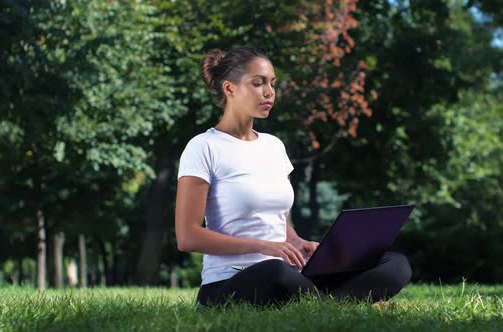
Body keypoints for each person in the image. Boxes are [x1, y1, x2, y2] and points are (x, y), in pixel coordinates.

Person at [175, 46, 412, 307]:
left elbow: (279, 222)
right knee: (276, 273)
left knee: (395, 264)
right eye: (258, 83)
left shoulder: (274, 146)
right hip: (232, 281)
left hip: (291, 275)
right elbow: (188, 236)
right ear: (229, 89)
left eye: (272, 84)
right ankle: (340, 303)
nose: (269, 92)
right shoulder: (203, 147)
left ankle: (321, 302)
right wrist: (264, 247)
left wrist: (299, 243)